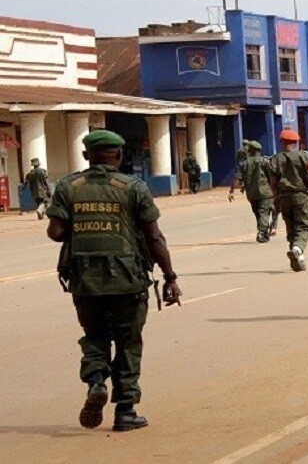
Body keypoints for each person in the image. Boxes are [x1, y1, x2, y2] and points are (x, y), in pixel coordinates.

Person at [45, 130, 180, 432]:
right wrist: (170, 277)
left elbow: (55, 233)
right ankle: (125, 412)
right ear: (119, 156)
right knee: (128, 342)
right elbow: (154, 236)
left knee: (94, 336)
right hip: (128, 280)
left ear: (85, 156)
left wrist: (80, 228)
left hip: (85, 280)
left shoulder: (68, 186)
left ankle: (95, 382)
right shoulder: (133, 187)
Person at [269, 129, 308, 271]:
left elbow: (273, 182)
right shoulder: (304, 157)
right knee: (303, 226)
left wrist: (276, 197)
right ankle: (297, 250)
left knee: (291, 227)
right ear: (296, 142)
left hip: (283, 197)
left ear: (281, 142)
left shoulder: (274, 159)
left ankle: (299, 258)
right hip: (300, 196)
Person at [229, 141, 275, 242]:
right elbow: (272, 176)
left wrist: (231, 191)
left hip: (251, 194)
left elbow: (237, 178)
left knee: (258, 214)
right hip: (265, 192)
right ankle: (262, 233)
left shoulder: (244, 163)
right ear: (259, 150)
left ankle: (262, 231)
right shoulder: (265, 161)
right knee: (264, 213)